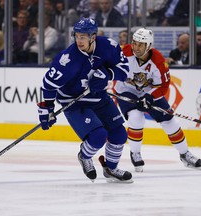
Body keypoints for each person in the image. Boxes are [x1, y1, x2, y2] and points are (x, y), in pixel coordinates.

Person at [38, 17, 132, 183]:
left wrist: (108, 74)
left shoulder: (108, 46)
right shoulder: (67, 59)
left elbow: (124, 70)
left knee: (119, 134)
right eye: (77, 36)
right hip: (74, 102)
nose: (79, 40)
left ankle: (111, 168)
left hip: (99, 97)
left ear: (93, 37)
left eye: (83, 37)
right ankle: (84, 156)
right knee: (99, 136)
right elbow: (48, 84)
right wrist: (47, 108)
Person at [114, 28, 201, 172]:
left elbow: (163, 85)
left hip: (150, 92)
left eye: (140, 45)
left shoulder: (159, 61)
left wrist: (149, 97)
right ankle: (135, 153)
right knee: (136, 117)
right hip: (126, 90)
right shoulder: (123, 53)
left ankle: (185, 154)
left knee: (170, 121)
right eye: (134, 43)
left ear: (148, 46)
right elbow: (107, 66)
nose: (136, 48)